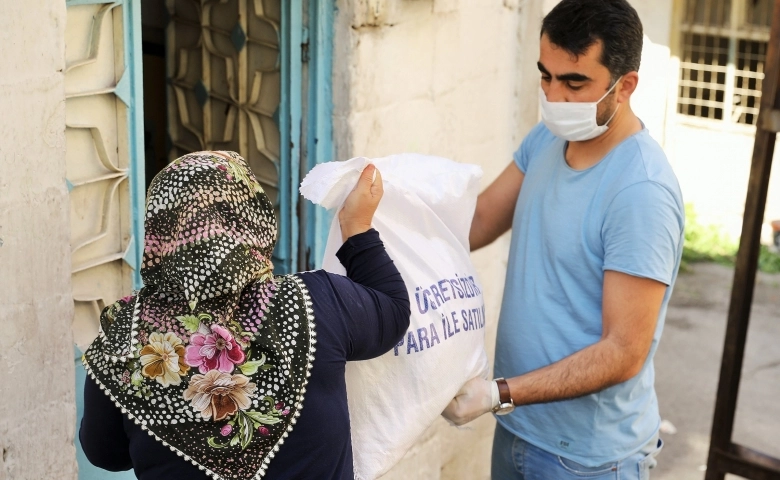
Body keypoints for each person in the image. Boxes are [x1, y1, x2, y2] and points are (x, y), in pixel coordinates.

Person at [442, 1, 685, 478]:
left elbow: (623, 352)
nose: (554, 96)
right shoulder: (547, 140)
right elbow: (478, 222)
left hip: (586, 458)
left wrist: (499, 393)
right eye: (546, 76)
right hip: (519, 428)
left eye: (574, 83)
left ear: (626, 85)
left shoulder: (641, 192)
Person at [79, 151, 410, 480]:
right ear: (255, 218)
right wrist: (357, 225)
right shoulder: (317, 303)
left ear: (161, 231)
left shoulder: (125, 329)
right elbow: (393, 310)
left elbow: (105, 453)